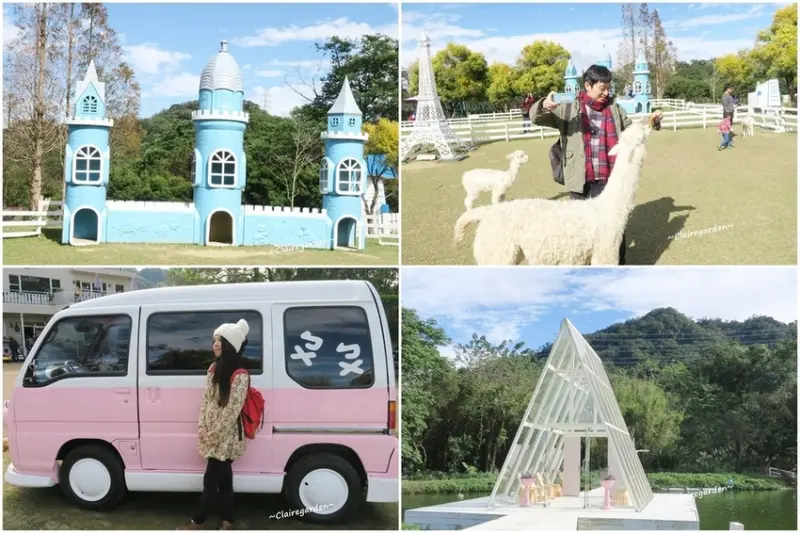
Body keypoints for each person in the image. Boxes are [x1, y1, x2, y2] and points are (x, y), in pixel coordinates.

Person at [531, 64, 663, 265]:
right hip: (579, 180)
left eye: (609, 87)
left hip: (608, 181)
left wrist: (652, 121)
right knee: (578, 234)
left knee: (613, 233)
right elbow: (536, 117)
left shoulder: (615, 109)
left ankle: (618, 267)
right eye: (602, 88)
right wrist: (543, 105)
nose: (606, 92)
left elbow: (633, 130)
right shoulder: (568, 109)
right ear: (587, 85)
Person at [180, 319, 251, 531]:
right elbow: (206, 401)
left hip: (226, 437)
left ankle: (197, 522)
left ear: (229, 344)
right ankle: (228, 521)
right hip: (210, 432)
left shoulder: (240, 375)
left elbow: (231, 412)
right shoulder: (213, 368)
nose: (215, 344)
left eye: (220, 340)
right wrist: (202, 426)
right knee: (224, 482)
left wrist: (213, 435)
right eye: (214, 340)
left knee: (210, 482)